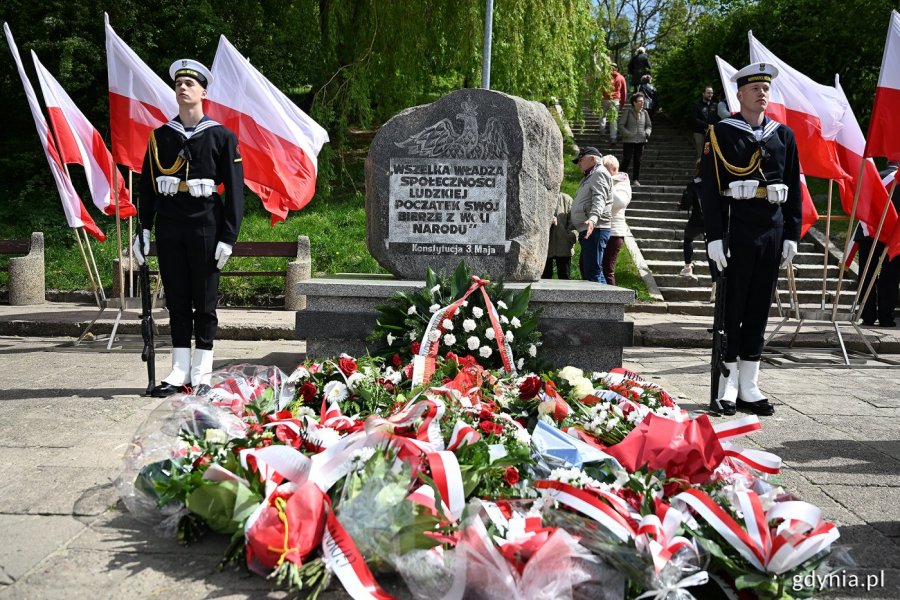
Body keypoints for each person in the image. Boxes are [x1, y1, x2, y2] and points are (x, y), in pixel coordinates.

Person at [132, 59, 245, 398]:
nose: (182, 87)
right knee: (177, 299)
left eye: (189, 83)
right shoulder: (160, 136)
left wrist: (229, 235)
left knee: (204, 301)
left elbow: (236, 191)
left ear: (203, 92)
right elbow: (148, 187)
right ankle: (179, 369)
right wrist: (144, 229)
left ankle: (203, 372)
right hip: (171, 226)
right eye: (179, 83)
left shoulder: (221, 136)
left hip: (206, 225)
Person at [700, 62, 802, 417]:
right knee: (734, 307)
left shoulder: (783, 135)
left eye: (766, 89)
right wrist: (713, 236)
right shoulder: (722, 133)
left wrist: (792, 233)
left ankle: (750, 385)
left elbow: (794, 188)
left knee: (760, 307)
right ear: (739, 94)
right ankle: (726, 385)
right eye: (755, 89)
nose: (762, 94)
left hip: (771, 229)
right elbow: (711, 190)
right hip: (737, 228)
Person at [855, 166, 900, 327]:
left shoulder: (874, 176)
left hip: (868, 231)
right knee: (890, 277)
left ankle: (867, 315)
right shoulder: (897, 178)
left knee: (866, 275)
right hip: (893, 234)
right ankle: (886, 317)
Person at [570, 146, 613, 284]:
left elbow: (600, 199)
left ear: (593, 159)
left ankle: (607, 305)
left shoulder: (599, 173)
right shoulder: (591, 175)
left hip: (595, 229)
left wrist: (593, 219)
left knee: (593, 273)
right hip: (590, 229)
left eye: (581, 160)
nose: (579, 164)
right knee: (590, 270)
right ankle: (605, 303)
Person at [601, 154, 632, 285]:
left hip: (614, 232)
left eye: (604, 170)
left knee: (608, 269)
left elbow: (620, 202)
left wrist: (607, 184)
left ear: (613, 169)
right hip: (600, 229)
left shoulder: (622, 182)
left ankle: (611, 303)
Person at [618, 92, 652, 186]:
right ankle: (620, 178)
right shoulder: (628, 112)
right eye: (640, 101)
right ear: (634, 102)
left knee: (638, 160)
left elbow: (649, 125)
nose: (642, 103)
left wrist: (647, 133)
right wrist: (627, 133)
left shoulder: (645, 113)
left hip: (641, 140)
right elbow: (621, 125)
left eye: (643, 101)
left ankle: (636, 179)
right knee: (627, 159)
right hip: (628, 140)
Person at [678, 163, 704, 279]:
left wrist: (681, 205)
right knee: (712, 246)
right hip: (713, 219)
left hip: (698, 218)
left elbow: (686, 203)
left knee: (688, 239)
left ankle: (688, 267)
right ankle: (716, 278)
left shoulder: (693, 184)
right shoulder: (715, 182)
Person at [542, 192, 577, 279]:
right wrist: (547, 219)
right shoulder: (541, 196)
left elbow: (573, 222)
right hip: (545, 246)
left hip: (563, 245)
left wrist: (570, 237)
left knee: (564, 276)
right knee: (544, 278)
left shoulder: (567, 199)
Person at [693, 85, 719, 161]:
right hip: (700, 133)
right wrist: (707, 125)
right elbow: (695, 119)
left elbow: (718, 119)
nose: (710, 95)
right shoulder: (697, 105)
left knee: (707, 152)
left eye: (711, 93)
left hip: (711, 133)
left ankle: (707, 171)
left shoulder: (715, 105)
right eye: (708, 93)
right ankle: (700, 171)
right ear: (703, 93)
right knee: (701, 154)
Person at [603, 64, 628, 142]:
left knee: (602, 115)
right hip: (615, 100)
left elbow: (601, 88)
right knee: (613, 119)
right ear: (617, 69)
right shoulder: (621, 78)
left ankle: (602, 130)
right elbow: (624, 92)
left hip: (605, 99)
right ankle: (613, 137)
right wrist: (622, 103)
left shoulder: (605, 77)